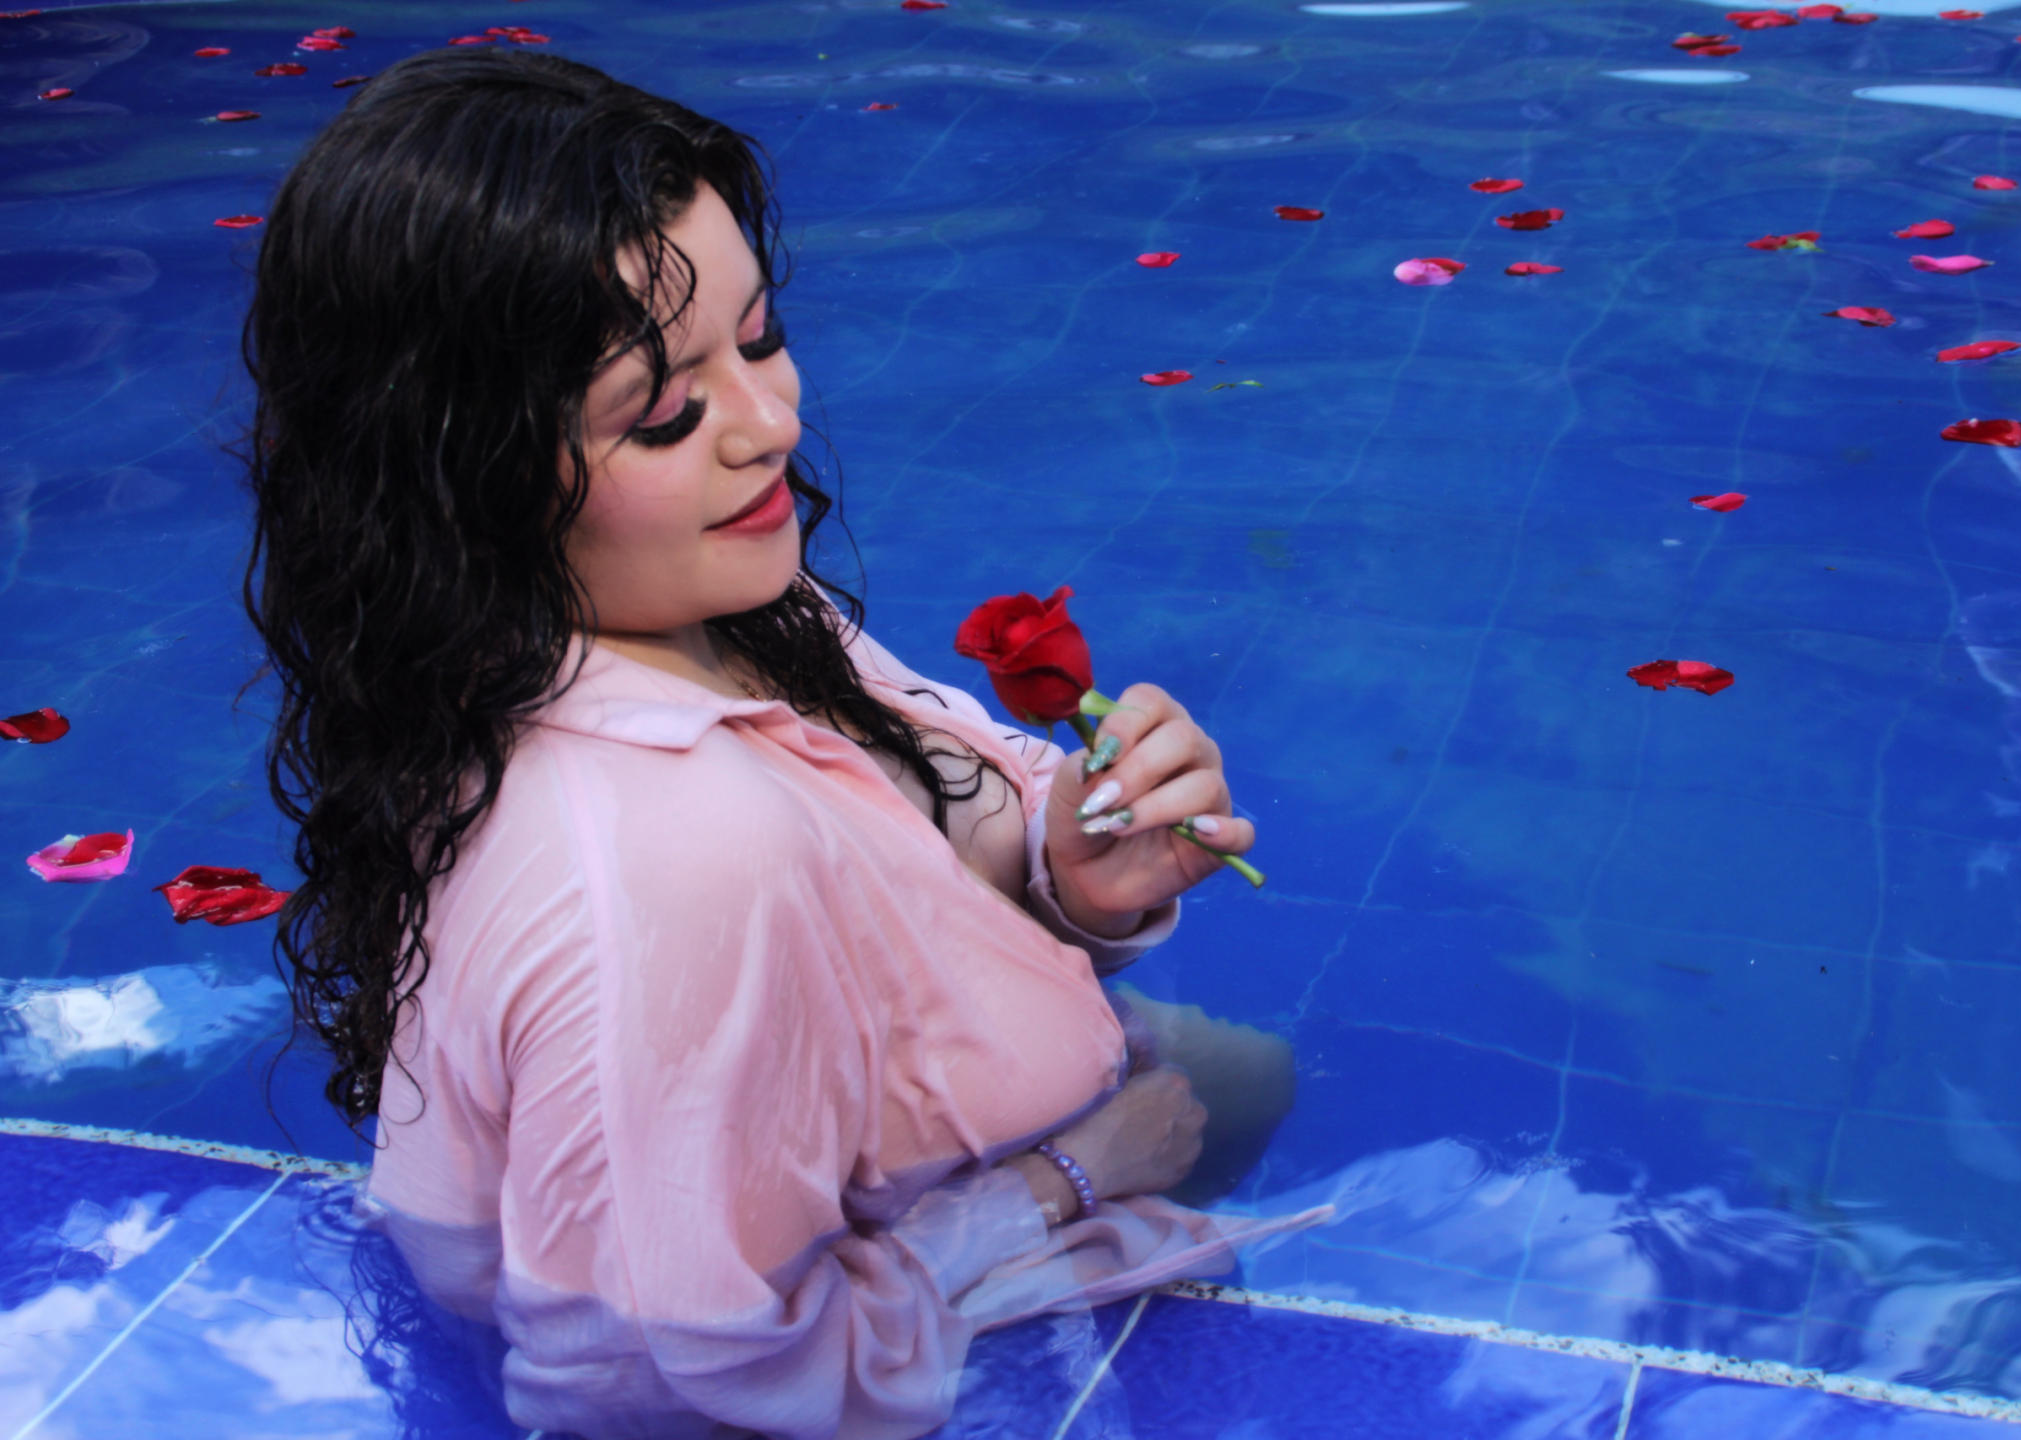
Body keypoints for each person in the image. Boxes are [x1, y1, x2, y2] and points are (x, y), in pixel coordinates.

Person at [241, 46, 1311, 1440]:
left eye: (757, 337)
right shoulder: (671, 854)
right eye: (665, 411)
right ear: (467, 479)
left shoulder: (686, 609)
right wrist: (1068, 1185)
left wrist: (1079, 874)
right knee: (1246, 1118)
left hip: (909, 1149)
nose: (770, 422)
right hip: (923, 1249)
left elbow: (902, 867)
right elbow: (653, 1386)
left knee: (1252, 1077)